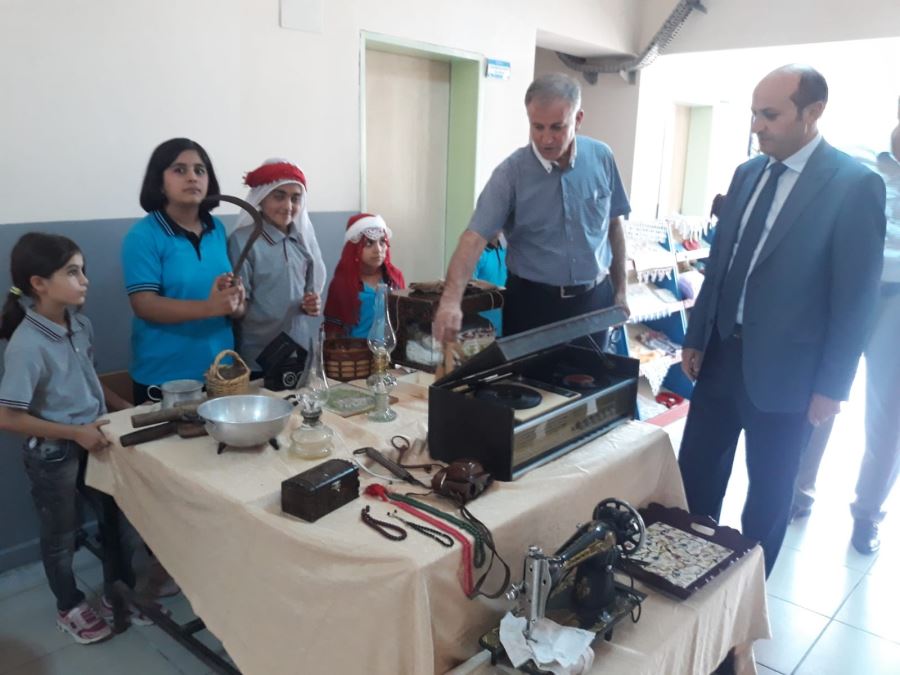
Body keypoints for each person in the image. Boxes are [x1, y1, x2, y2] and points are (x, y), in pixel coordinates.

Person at [677, 65, 887, 577]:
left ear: (813, 112)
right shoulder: (748, 173)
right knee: (695, 478)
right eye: (754, 114)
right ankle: (684, 579)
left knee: (768, 498)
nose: (757, 126)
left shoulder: (854, 185)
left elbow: (856, 298)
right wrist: (697, 334)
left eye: (769, 115)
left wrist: (832, 386)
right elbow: (720, 263)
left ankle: (747, 603)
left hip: (790, 375)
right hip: (721, 356)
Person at [0, 234, 151, 643]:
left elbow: (87, 378)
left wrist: (122, 405)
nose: (84, 280)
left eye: (83, 270)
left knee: (117, 521)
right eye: (72, 272)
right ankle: (69, 606)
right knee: (61, 535)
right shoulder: (27, 345)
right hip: (54, 454)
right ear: (39, 283)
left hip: (94, 439)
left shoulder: (80, 325)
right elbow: (8, 417)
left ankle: (118, 594)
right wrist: (74, 433)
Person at [433, 72, 630, 343]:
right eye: (538, 127)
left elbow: (614, 225)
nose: (546, 139)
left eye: (557, 128)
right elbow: (473, 239)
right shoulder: (510, 174)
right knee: (528, 373)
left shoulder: (602, 157)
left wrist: (621, 290)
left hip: (593, 303)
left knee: (593, 372)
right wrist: (450, 302)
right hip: (532, 305)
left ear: (578, 119)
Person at [792, 103, 900, 555]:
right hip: (842, 289)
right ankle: (797, 491)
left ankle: (867, 513)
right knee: (821, 392)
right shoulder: (858, 156)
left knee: (889, 415)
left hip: (897, 299)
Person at [122, 138, 245, 403]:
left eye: (200, 170)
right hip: (165, 379)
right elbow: (144, 305)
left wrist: (234, 302)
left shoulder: (217, 229)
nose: (192, 177)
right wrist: (210, 307)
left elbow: (226, 303)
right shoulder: (143, 235)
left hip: (221, 374)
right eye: (180, 170)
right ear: (159, 182)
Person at [228, 158, 326, 374]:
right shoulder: (243, 242)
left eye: (295, 198)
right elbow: (238, 306)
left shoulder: (302, 242)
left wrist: (312, 304)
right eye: (279, 196)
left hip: (298, 351)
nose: (288, 206)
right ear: (261, 198)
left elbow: (308, 295)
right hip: (257, 356)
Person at [323, 213, 405, 337]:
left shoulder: (395, 278)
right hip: (354, 348)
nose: (378, 250)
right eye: (369, 243)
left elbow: (403, 320)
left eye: (382, 242)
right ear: (354, 249)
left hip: (391, 348)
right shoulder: (341, 284)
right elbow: (332, 332)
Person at [472, 235, 507, 336]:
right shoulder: (477, 253)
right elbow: (469, 284)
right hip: (482, 326)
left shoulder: (506, 251)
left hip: (504, 322)